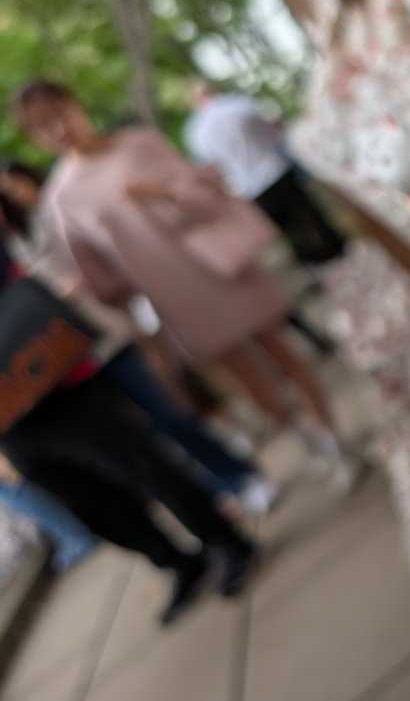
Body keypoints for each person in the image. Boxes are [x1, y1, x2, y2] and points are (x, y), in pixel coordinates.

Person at [13, 80, 360, 490]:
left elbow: (208, 193)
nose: (58, 130)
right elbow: (97, 273)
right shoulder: (62, 197)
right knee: (245, 377)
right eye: (42, 127)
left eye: (60, 115)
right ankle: (311, 439)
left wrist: (163, 192)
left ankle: (331, 434)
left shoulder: (140, 143)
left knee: (282, 350)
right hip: (168, 294)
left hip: (215, 263)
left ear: (75, 105)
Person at [0, 160, 278, 514]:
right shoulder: (16, 247)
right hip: (62, 367)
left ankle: (240, 475)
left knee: (169, 414)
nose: (13, 196)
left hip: (105, 338)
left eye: (13, 187)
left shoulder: (55, 214)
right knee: (143, 437)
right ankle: (215, 486)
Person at [0, 243, 258, 624]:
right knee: (92, 506)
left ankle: (228, 541)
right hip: (12, 424)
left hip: (52, 380)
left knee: (146, 466)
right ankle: (177, 562)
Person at [183, 81, 347, 265]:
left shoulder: (196, 132)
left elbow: (209, 167)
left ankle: (310, 260)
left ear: (195, 102)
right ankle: (337, 248)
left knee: (286, 228)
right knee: (308, 211)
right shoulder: (237, 105)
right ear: (213, 91)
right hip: (275, 168)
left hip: (248, 187)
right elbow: (272, 126)